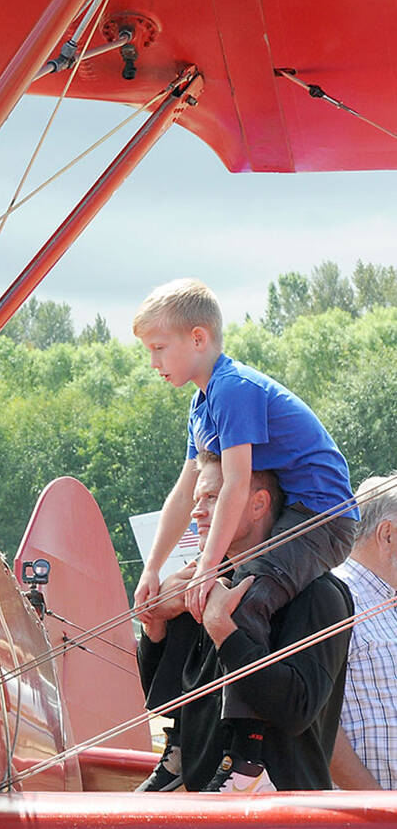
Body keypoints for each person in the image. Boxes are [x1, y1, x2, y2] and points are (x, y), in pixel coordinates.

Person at [132, 278, 357, 787]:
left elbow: (234, 484)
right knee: (187, 594)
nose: (153, 363)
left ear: (197, 338)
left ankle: (248, 757)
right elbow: (181, 491)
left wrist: (208, 568)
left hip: (321, 514)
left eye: (158, 348)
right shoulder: (202, 404)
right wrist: (155, 570)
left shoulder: (234, 388)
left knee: (241, 600)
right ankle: (179, 749)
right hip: (291, 511)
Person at [137, 450, 351, 792]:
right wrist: (156, 623)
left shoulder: (318, 593)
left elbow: (296, 710)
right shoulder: (208, 584)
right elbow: (167, 700)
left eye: (212, 497)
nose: (196, 511)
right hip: (210, 807)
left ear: (257, 504)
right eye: (196, 499)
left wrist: (226, 632)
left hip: (282, 813)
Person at [331, 474, 397, 789]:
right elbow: (318, 724)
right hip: (369, 816)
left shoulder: (388, 603)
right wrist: (376, 806)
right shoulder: (333, 597)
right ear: (387, 535)